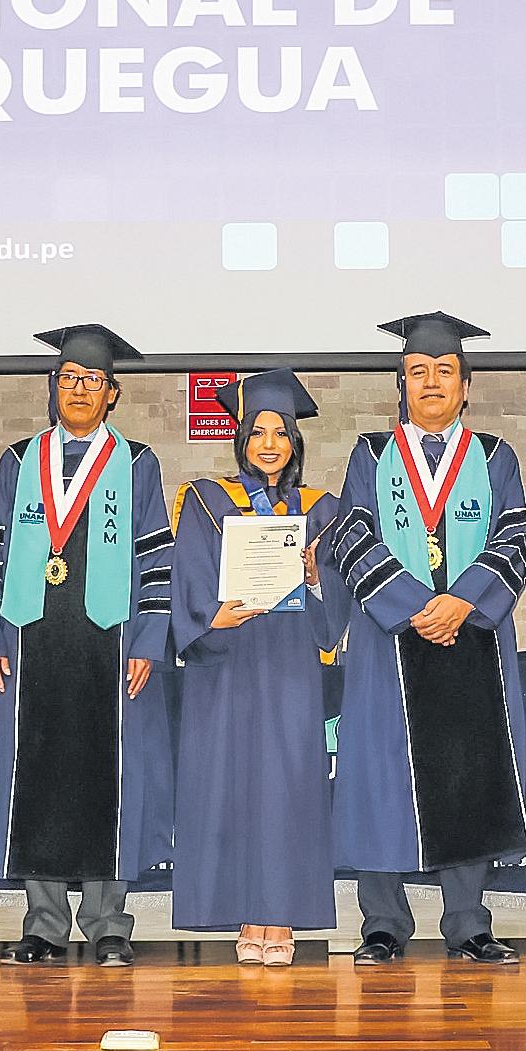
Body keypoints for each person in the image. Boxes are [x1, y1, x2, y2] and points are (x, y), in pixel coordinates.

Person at [326, 311, 526, 965]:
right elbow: (351, 535)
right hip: (391, 640)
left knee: (469, 775)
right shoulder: (370, 454)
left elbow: (514, 535)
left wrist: (462, 600)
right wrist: (416, 606)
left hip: (472, 637)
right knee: (380, 775)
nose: (432, 382)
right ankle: (383, 923)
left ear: (466, 386)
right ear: (402, 384)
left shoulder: (495, 457)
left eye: (445, 371)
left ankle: (468, 923)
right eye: (418, 371)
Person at [0, 325, 175, 968]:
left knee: (107, 778)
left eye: (93, 381)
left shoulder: (137, 463)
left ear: (112, 393)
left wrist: (148, 639)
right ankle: (43, 925)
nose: (80, 390)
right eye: (70, 379)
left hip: (109, 643)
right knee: (37, 779)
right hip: (30, 638)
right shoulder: (18, 461)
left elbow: (156, 556)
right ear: (53, 387)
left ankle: (108, 923)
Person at [169, 369, 346, 965]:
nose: (269, 444)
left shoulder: (321, 510)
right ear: (241, 438)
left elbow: (335, 603)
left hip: (291, 663)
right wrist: (210, 618)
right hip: (227, 662)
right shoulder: (205, 501)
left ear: (295, 442)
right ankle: (247, 913)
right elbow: (189, 575)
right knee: (232, 784)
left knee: (288, 788)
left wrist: (316, 578)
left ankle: (282, 915)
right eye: (258, 432)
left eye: (281, 433)